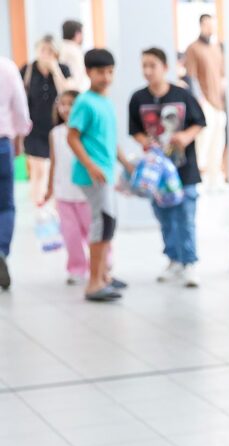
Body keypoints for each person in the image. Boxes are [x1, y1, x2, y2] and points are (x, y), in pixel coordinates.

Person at [128, 47, 206, 287]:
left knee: (186, 215)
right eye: (144, 66)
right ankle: (173, 259)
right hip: (156, 172)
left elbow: (200, 122)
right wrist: (145, 142)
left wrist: (185, 137)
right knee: (164, 215)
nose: (148, 71)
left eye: (152, 65)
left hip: (184, 168)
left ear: (165, 67)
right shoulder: (138, 98)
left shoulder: (182, 95)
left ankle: (189, 261)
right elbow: (135, 130)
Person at [67, 48, 133, 302]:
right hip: (92, 175)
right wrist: (91, 166)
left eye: (109, 72)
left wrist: (125, 163)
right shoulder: (84, 102)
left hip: (105, 173)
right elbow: (72, 137)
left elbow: (109, 140)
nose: (106, 77)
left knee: (108, 223)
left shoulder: (105, 101)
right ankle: (93, 283)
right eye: (100, 72)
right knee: (102, 223)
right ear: (88, 72)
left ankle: (103, 275)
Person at [42, 90, 88, 285]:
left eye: (71, 104)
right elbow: (53, 162)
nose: (66, 108)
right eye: (62, 104)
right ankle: (76, 268)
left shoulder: (86, 131)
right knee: (71, 235)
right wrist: (49, 188)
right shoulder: (56, 133)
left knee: (91, 230)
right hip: (64, 194)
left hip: (85, 193)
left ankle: (104, 261)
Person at [21, 36, 72, 209]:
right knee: (39, 171)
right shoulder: (28, 70)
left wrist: (55, 70)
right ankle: (39, 207)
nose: (46, 54)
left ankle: (56, 208)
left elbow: (67, 93)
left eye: (50, 51)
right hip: (33, 128)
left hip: (56, 128)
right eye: (43, 50)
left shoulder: (63, 69)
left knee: (57, 169)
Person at [0, 55, 32, 290]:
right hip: (2, 143)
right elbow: (20, 108)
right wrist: (20, 135)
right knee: (5, 205)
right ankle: (0, 250)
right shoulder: (7, 67)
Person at [185, 13, 226, 188]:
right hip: (205, 103)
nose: (211, 28)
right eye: (208, 24)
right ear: (202, 25)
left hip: (219, 103)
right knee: (204, 143)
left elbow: (222, 74)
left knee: (218, 142)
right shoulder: (193, 48)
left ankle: (214, 181)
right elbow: (192, 77)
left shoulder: (216, 47)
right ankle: (199, 181)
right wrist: (200, 100)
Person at [59, 20, 88, 93]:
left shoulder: (59, 48)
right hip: (74, 93)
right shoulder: (75, 51)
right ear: (77, 34)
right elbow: (78, 79)